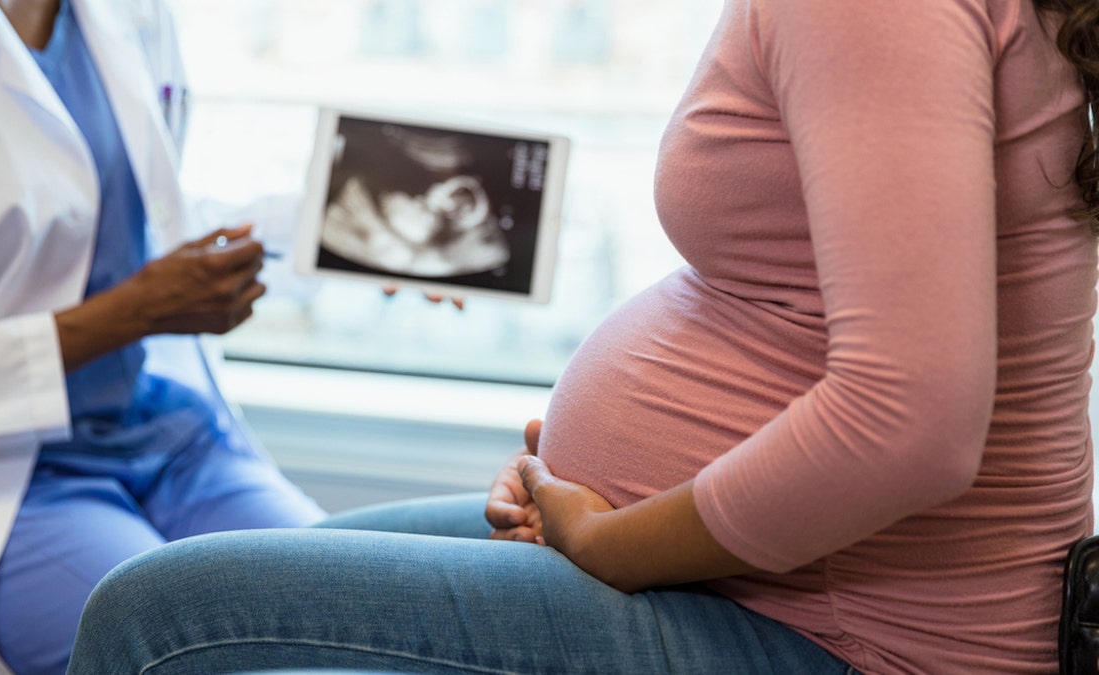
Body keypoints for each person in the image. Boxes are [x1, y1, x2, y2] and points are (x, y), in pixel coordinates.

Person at [65, 0, 1098, 673]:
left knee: (158, 617)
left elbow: (910, 425)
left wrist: (611, 538)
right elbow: (798, 303)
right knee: (248, 578)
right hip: (762, 572)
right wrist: (584, 465)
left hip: (855, 635)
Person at [0, 1, 340, 673]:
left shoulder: (126, 13)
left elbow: (134, 219)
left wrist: (339, 234)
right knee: (193, 654)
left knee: (367, 619)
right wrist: (132, 312)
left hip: (166, 434)